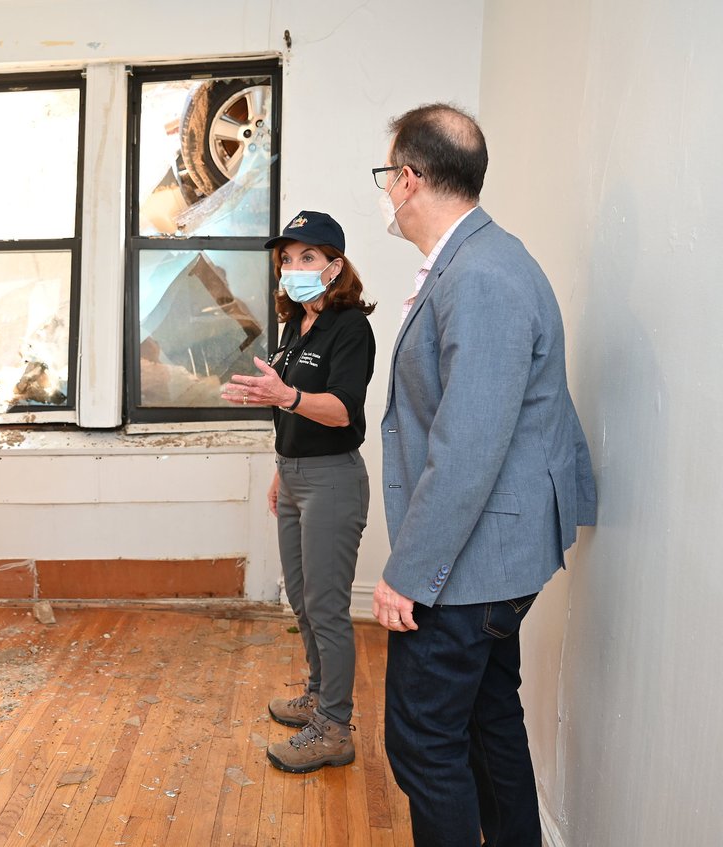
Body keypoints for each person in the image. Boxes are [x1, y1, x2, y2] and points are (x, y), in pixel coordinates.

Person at [371, 103, 598, 846]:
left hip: (471, 565)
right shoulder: (485, 258)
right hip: (494, 557)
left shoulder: (481, 276)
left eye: (387, 176)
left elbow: (468, 448)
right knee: (488, 720)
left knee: (423, 742)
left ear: (409, 179)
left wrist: (406, 572)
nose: (386, 193)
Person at [221, 210, 376, 773]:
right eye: (287, 258)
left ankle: (335, 728)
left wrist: (284, 398)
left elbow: (340, 411)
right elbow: (291, 408)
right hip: (294, 475)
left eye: (308, 257)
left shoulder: (351, 328)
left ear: (335, 268)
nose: (294, 267)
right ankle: (316, 694)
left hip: (333, 480)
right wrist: (280, 467)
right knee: (301, 600)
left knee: (327, 609)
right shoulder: (296, 326)